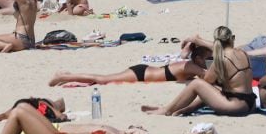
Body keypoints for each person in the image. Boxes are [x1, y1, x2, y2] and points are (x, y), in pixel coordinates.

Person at [142, 26, 255, 116]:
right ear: (232, 38)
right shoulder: (243, 53)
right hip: (251, 103)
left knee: (196, 84)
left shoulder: (221, 59)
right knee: (214, 90)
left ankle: (166, 110)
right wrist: (198, 40)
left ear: (216, 41)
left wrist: (202, 71)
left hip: (236, 106)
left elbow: (206, 82)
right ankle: (185, 108)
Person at [49, 47, 209, 86]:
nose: (209, 62)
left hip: (144, 71)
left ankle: (67, 75)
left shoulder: (190, 65)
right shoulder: (192, 66)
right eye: (207, 59)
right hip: (140, 74)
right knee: (102, 79)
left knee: (103, 79)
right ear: (198, 58)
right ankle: (64, 76)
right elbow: (209, 76)